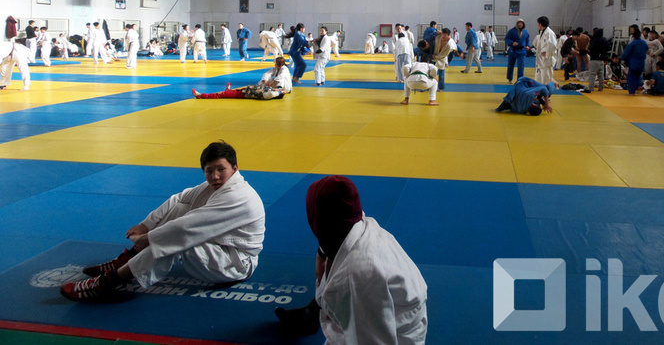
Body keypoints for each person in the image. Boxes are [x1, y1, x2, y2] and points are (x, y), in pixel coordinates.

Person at [59, 141, 266, 302]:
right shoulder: (214, 187)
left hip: (237, 263)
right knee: (181, 208)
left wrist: (148, 238)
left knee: (179, 239)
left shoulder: (237, 195)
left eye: (221, 169)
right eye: (209, 171)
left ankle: (110, 281)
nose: (215, 176)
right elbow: (178, 199)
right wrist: (146, 225)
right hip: (220, 246)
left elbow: (185, 228)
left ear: (235, 168)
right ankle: (130, 258)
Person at [275, 176, 428, 343]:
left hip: (398, 333)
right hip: (397, 309)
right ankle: (310, 314)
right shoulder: (361, 225)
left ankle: (311, 315)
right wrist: (322, 253)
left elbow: (374, 341)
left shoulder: (357, 275)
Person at [193, 57, 292, 100]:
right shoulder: (276, 70)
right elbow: (268, 73)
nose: (274, 64)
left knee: (223, 95)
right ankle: (228, 91)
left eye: (275, 63)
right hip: (250, 90)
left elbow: (280, 78)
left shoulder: (284, 70)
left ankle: (201, 95)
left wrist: (278, 89)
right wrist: (266, 81)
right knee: (239, 90)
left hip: (281, 87)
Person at [621, 25, 647, 95]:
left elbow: (626, 53)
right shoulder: (644, 42)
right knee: (638, 77)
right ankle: (638, 87)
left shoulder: (633, 43)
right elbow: (647, 49)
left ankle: (631, 92)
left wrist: (623, 59)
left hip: (634, 63)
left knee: (631, 77)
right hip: (642, 63)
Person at [505, 18, 531, 83]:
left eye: (521, 23)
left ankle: (520, 80)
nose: (520, 24)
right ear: (517, 24)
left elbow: (527, 39)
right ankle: (510, 78)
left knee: (521, 66)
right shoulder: (511, 31)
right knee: (510, 65)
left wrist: (527, 46)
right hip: (513, 50)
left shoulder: (525, 32)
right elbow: (507, 39)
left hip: (522, 50)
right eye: (519, 23)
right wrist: (512, 43)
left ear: (523, 24)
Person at [586, 27, 610, 93]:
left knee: (592, 75)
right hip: (601, 60)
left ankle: (591, 88)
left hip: (594, 59)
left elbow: (591, 48)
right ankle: (601, 88)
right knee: (601, 75)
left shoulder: (594, 40)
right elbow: (608, 48)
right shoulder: (604, 40)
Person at [533, 16, 557, 84]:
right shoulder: (542, 32)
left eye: (538, 23)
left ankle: (546, 90)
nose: (538, 25)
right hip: (540, 60)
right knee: (538, 79)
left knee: (546, 79)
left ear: (540, 24)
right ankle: (540, 90)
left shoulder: (549, 33)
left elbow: (553, 44)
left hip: (547, 60)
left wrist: (547, 53)